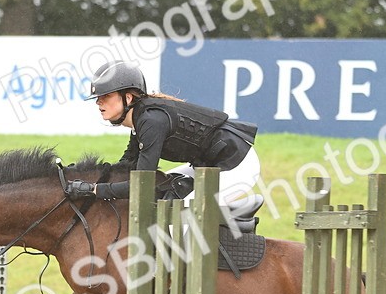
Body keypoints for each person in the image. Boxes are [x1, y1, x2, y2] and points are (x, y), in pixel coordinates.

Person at [68, 60, 262, 204]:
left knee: (181, 216)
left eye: (106, 96)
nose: (98, 102)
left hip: (237, 164)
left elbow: (141, 183)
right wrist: (85, 176)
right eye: (98, 97)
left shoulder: (151, 121)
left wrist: (94, 190)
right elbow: (127, 167)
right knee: (160, 194)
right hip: (208, 165)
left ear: (127, 97)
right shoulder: (140, 119)